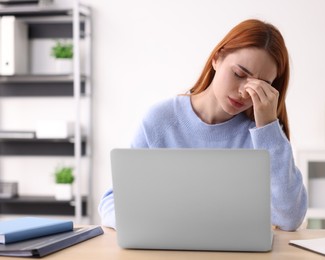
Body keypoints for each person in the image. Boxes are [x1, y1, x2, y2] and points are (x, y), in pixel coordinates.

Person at [99, 19, 307, 231]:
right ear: (217, 59)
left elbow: (290, 217)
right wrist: (146, 226)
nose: (244, 92)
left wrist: (268, 128)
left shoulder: (263, 135)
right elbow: (113, 200)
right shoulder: (160, 120)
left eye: (260, 87)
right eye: (238, 74)